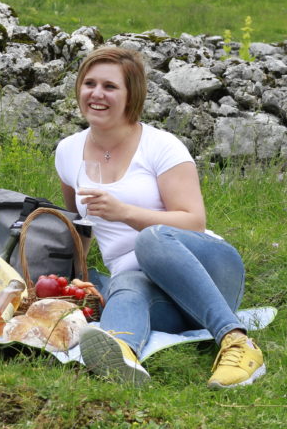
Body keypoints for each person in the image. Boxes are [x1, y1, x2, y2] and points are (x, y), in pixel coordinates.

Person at [55, 46, 265, 388]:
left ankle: (238, 342)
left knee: (149, 239)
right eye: (89, 83)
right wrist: (71, 278)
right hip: (162, 300)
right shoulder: (68, 152)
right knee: (125, 281)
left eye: (110, 86)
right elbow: (78, 224)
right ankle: (119, 354)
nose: (96, 94)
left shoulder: (161, 147)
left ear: (131, 95)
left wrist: (125, 212)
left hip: (207, 273)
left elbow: (194, 221)